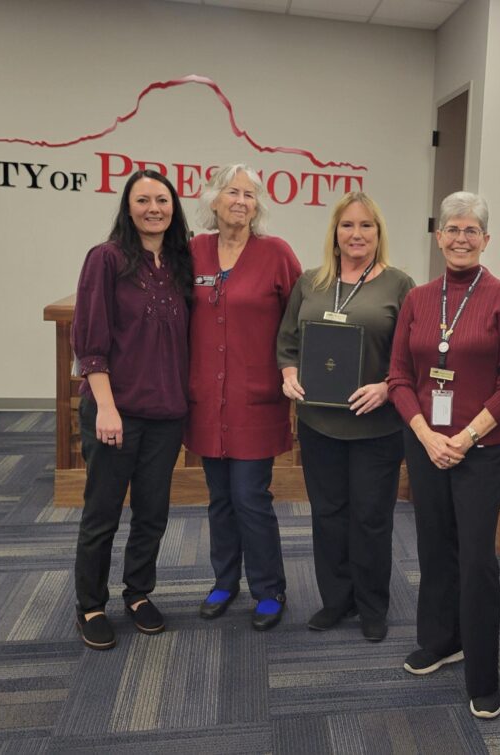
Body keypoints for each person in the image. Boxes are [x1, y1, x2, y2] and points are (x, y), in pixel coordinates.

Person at [388, 191, 500, 720]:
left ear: (486, 240)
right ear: (439, 236)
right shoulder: (418, 299)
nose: (461, 238)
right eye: (452, 229)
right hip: (424, 444)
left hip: (483, 449)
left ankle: (483, 673)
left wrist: (464, 438)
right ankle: (441, 639)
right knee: (432, 545)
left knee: (475, 559)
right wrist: (426, 435)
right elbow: (400, 377)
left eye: (472, 231)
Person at [276, 192, 414, 642]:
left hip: (376, 425)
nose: (357, 234)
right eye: (348, 225)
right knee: (328, 514)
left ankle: (373, 606)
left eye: (366, 226)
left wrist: (387, 386)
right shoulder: (310, 283)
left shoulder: (399, 285)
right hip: (319, 424)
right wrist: (290, 374)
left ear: (379, 234)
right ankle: (336, 600)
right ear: (335, 233)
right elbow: (287, 342)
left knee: (371, 517)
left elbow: (410, 354)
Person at [71, 169, 193, 650]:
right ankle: (90, 604)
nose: (153, 208)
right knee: (102, 512)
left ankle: (139, 593)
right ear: (127, 207)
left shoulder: (181, 263)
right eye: (142, 200)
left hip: (166, 412)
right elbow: (90, 342)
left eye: (161, 200)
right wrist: (106, 407)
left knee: (152, 512)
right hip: (113, 410)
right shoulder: (107, 259)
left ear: (173, 207)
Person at [186, 164, 302, 631]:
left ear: (258, 207)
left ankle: (269, 588)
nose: (240, 201)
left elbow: (299, 320)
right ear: (212, 201)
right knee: (219, 497)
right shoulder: (192, 250)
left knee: (250, 496)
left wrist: (294, 370)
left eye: (249, 195)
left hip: (254, 399)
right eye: (231, 192)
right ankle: (224, 580)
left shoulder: (276, 253)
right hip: (206, 400)